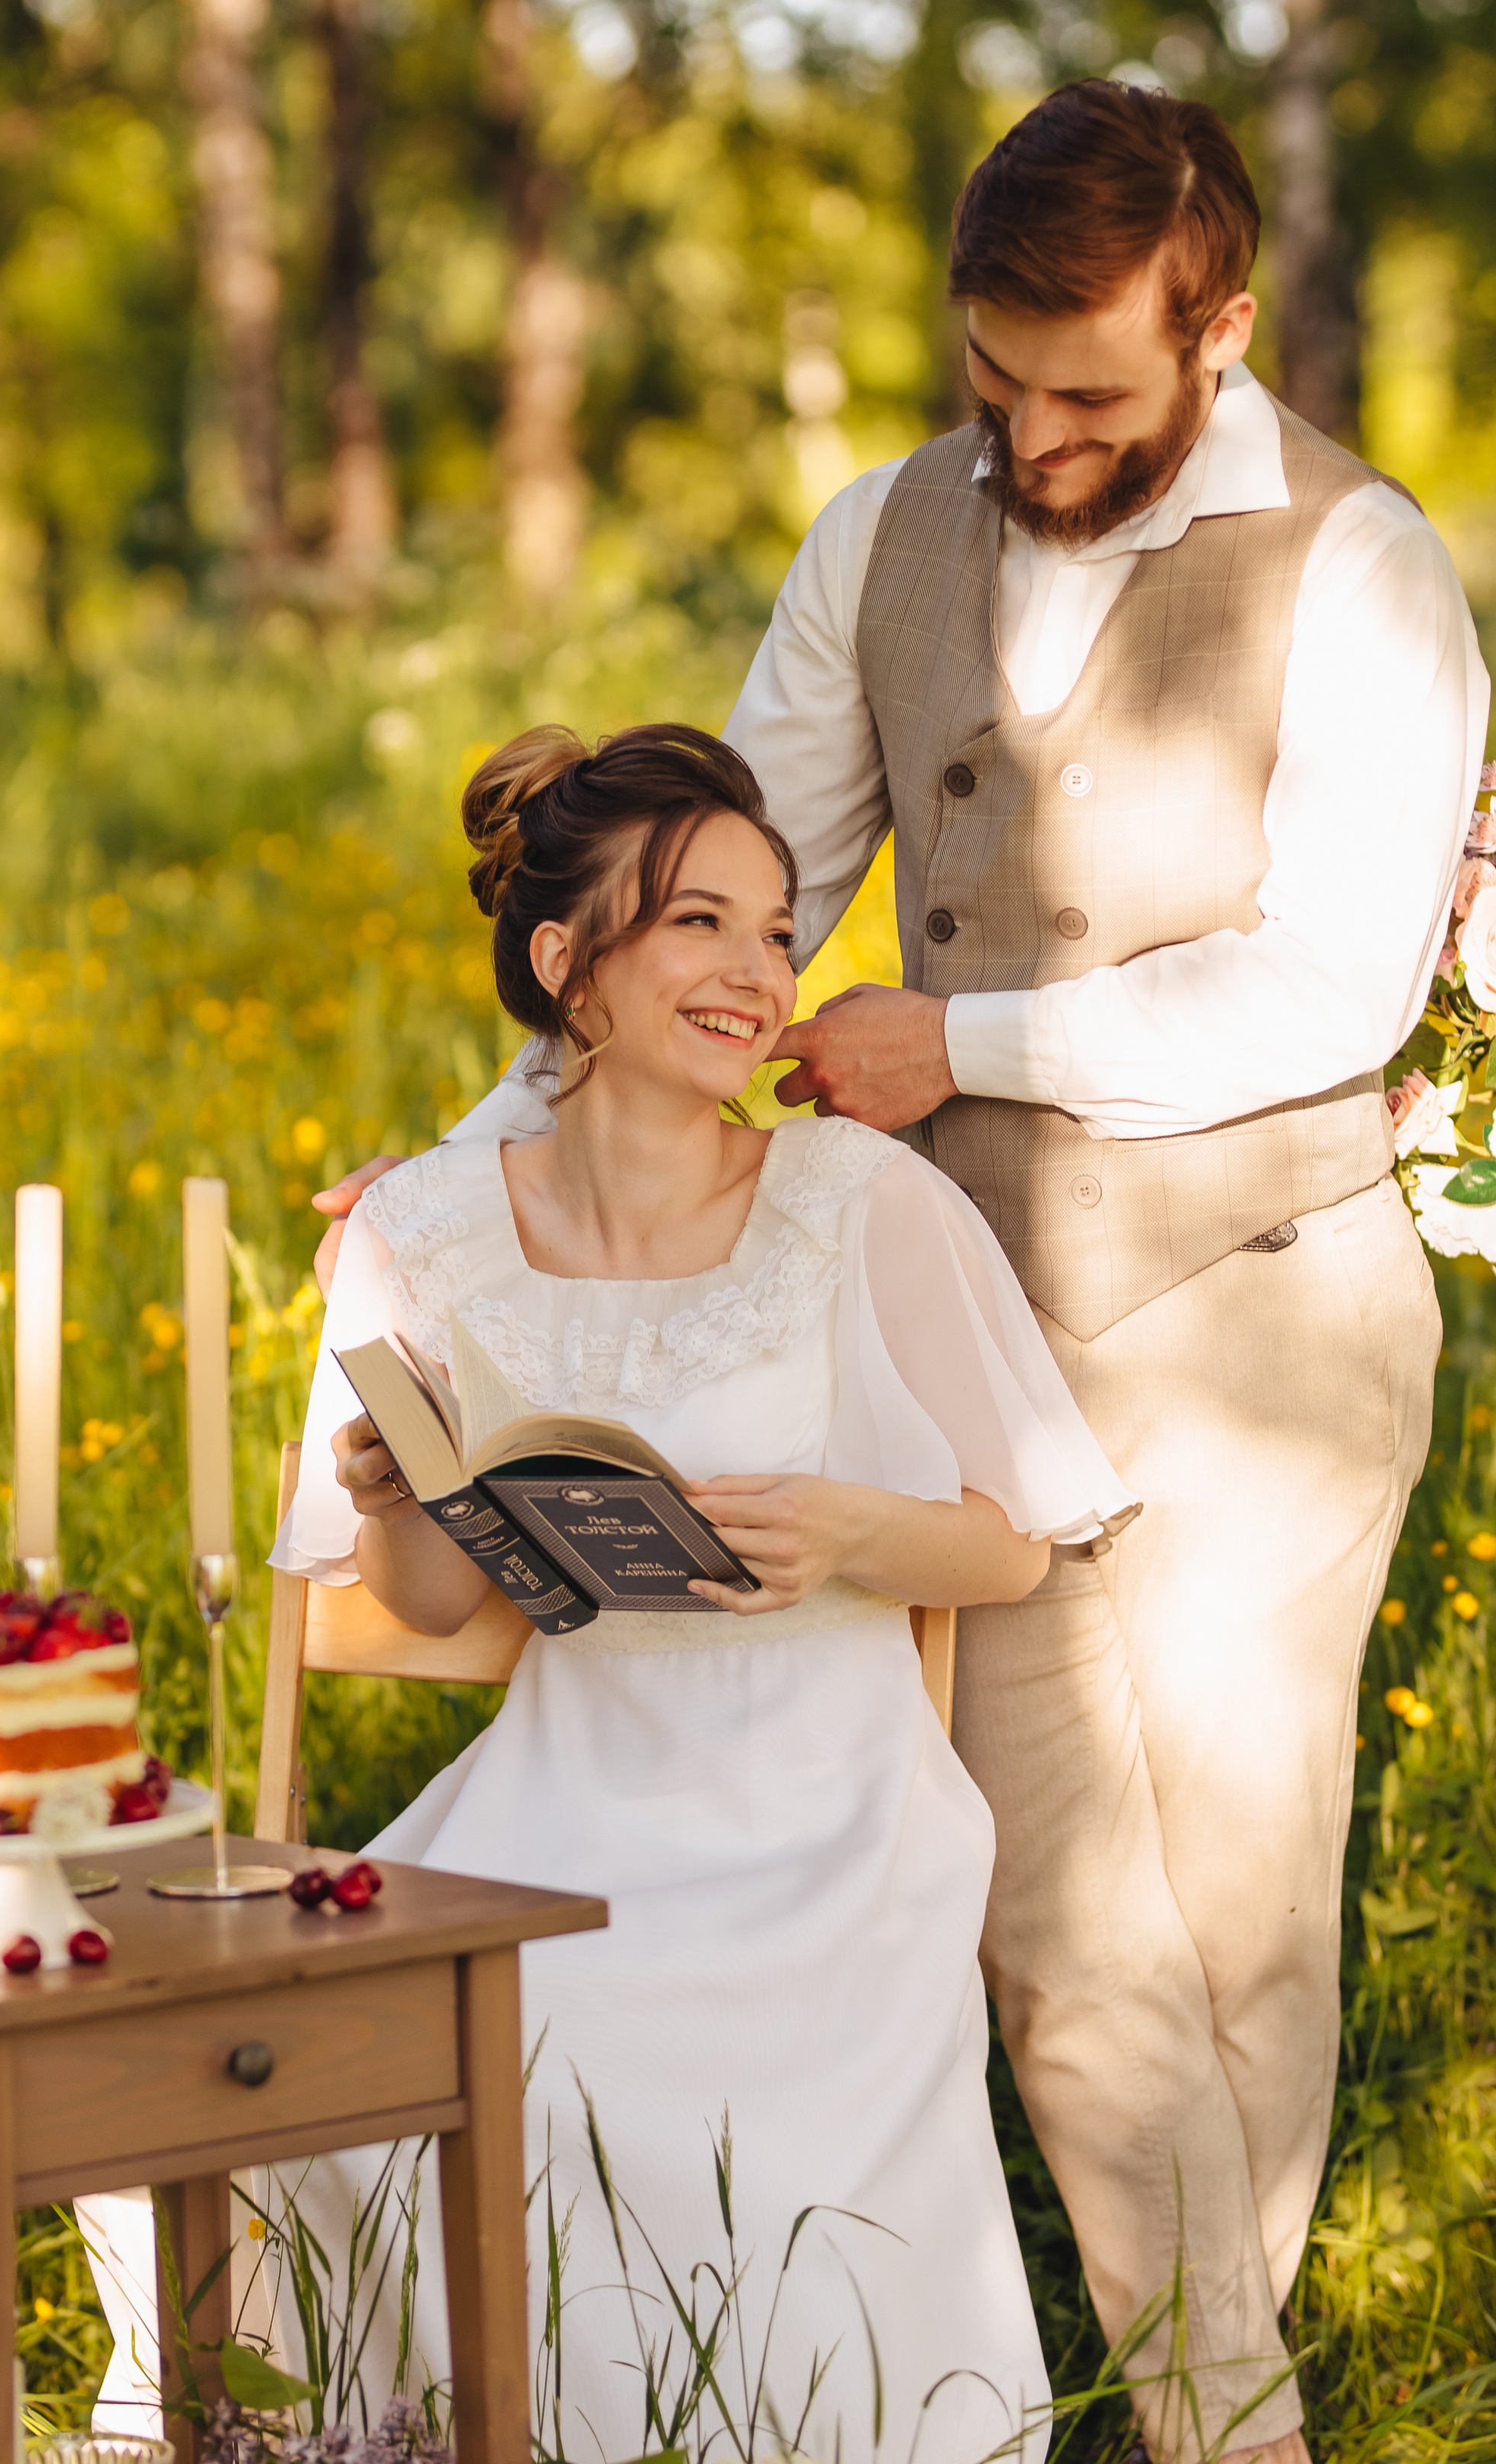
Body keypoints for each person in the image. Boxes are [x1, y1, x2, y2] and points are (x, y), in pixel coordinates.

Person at [318, 85, 1488, 2462]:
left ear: (1219, 328)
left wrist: (955, 1038)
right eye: (997, 383)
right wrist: (455, 1179)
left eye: (1091, 394)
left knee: (1242, 1923)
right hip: (973, 1344)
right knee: (1067, 1931)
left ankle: (1185, 2393)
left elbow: (1329, 994)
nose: (1036, 438)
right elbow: (713, 903)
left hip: (1257, 1312)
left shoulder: (1366, 568)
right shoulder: (883, 537)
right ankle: (1182, 2415)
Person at [267, 720, 1135, 2462]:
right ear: (563, 964)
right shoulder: (417, 1229)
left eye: (777, 930)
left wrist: (849, 1536)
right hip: (560, 1798)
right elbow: (433, 1602)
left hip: (824, 1816)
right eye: (698, 926)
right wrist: (393, 1494)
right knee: (283, 2046)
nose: (759, 974)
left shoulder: (857, 1201)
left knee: (573, 2044)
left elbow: (1015, 1535)